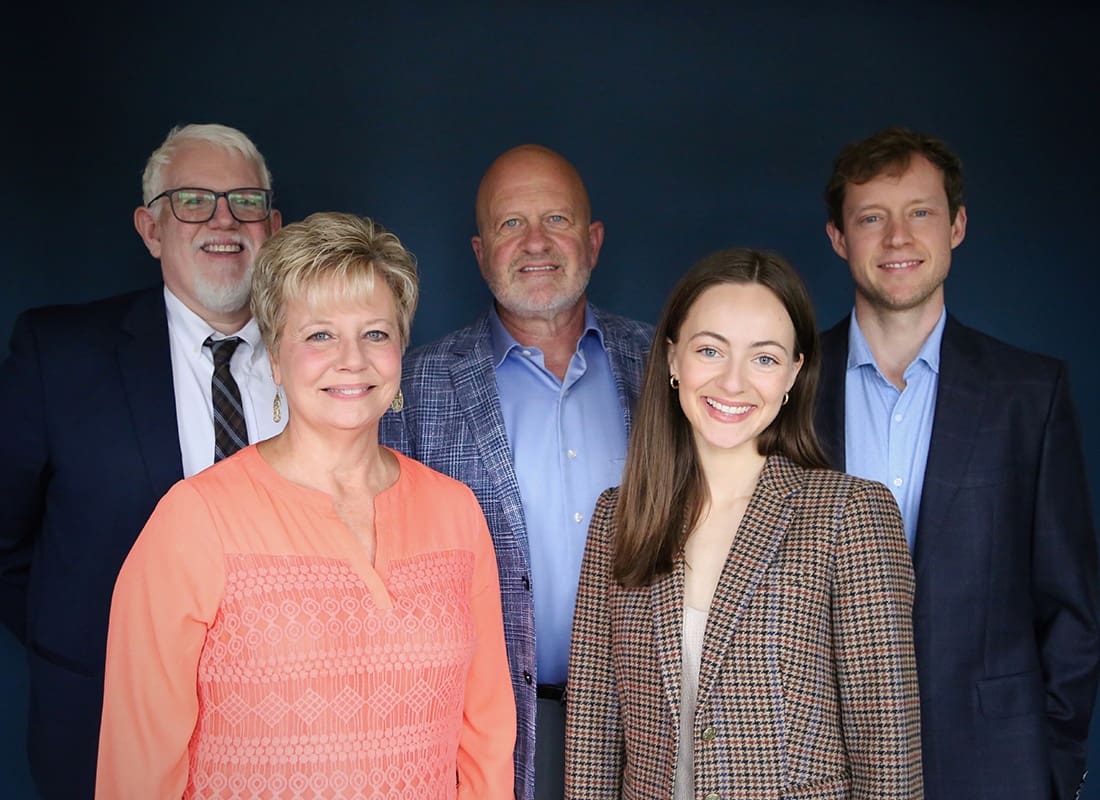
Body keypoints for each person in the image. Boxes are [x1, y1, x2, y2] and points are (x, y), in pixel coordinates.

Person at [95, 212, 515, 798]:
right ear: (273, 355)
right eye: (320, 335)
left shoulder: (456, 512)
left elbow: (487, 737)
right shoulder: (194, 520)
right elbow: (138, 766)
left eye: (376, 333)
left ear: (401, 347)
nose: (352, 359)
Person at [566, 248, 923, 799]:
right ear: (673, 359)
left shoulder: (849, 515)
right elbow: (593, 732)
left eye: (764, 358)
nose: (733, 382)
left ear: (794, 374)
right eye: (710, 350)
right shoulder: (617, 518)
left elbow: (888, 752)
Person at [0, 123, 285, 799]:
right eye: (193, 201)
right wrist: (81, 642)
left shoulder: (326, 355)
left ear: (272, 228)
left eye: (245, 201)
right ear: (151, 229)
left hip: (286, 728)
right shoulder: (59, 354)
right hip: (103, 724)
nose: (223, 220)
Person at [816, 126, 1099, 800]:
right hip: (822, 760)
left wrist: (1055, 765)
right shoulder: (787, 386)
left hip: (996, 766)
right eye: (871, 218)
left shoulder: (1030, 393)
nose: (898, 238)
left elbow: (1072, 607)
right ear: (838, 237)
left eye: (921, 212)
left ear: (957, 226)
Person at [380, 144, 652, 799]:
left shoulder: (667, 364)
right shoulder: (413, 385)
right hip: (486, 734)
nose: (535, 242)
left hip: (646, 726)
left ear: (593, 241)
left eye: (556, 219)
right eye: (510, 224)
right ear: (480, 253)